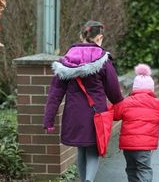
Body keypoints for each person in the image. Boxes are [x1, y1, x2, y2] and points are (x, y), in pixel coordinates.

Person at [43, 20, 123, 182]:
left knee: (81, 149)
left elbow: (55, 93)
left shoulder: (67, 59)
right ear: (99, 37)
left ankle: (83, 180)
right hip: (96, 115)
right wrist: (120, 104)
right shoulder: (103, 60)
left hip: (73, 114)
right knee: (93, 150)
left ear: (82, 36)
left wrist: (49, 120)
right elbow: (114, 92)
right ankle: (89, 181)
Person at [113, 64, 159, 182]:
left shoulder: (125, 103)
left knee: (131, 169)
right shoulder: (156, 104)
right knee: (144, 169)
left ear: (134, 88)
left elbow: (115, 115)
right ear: (151, 88)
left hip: (128, 146)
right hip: (144, 146)